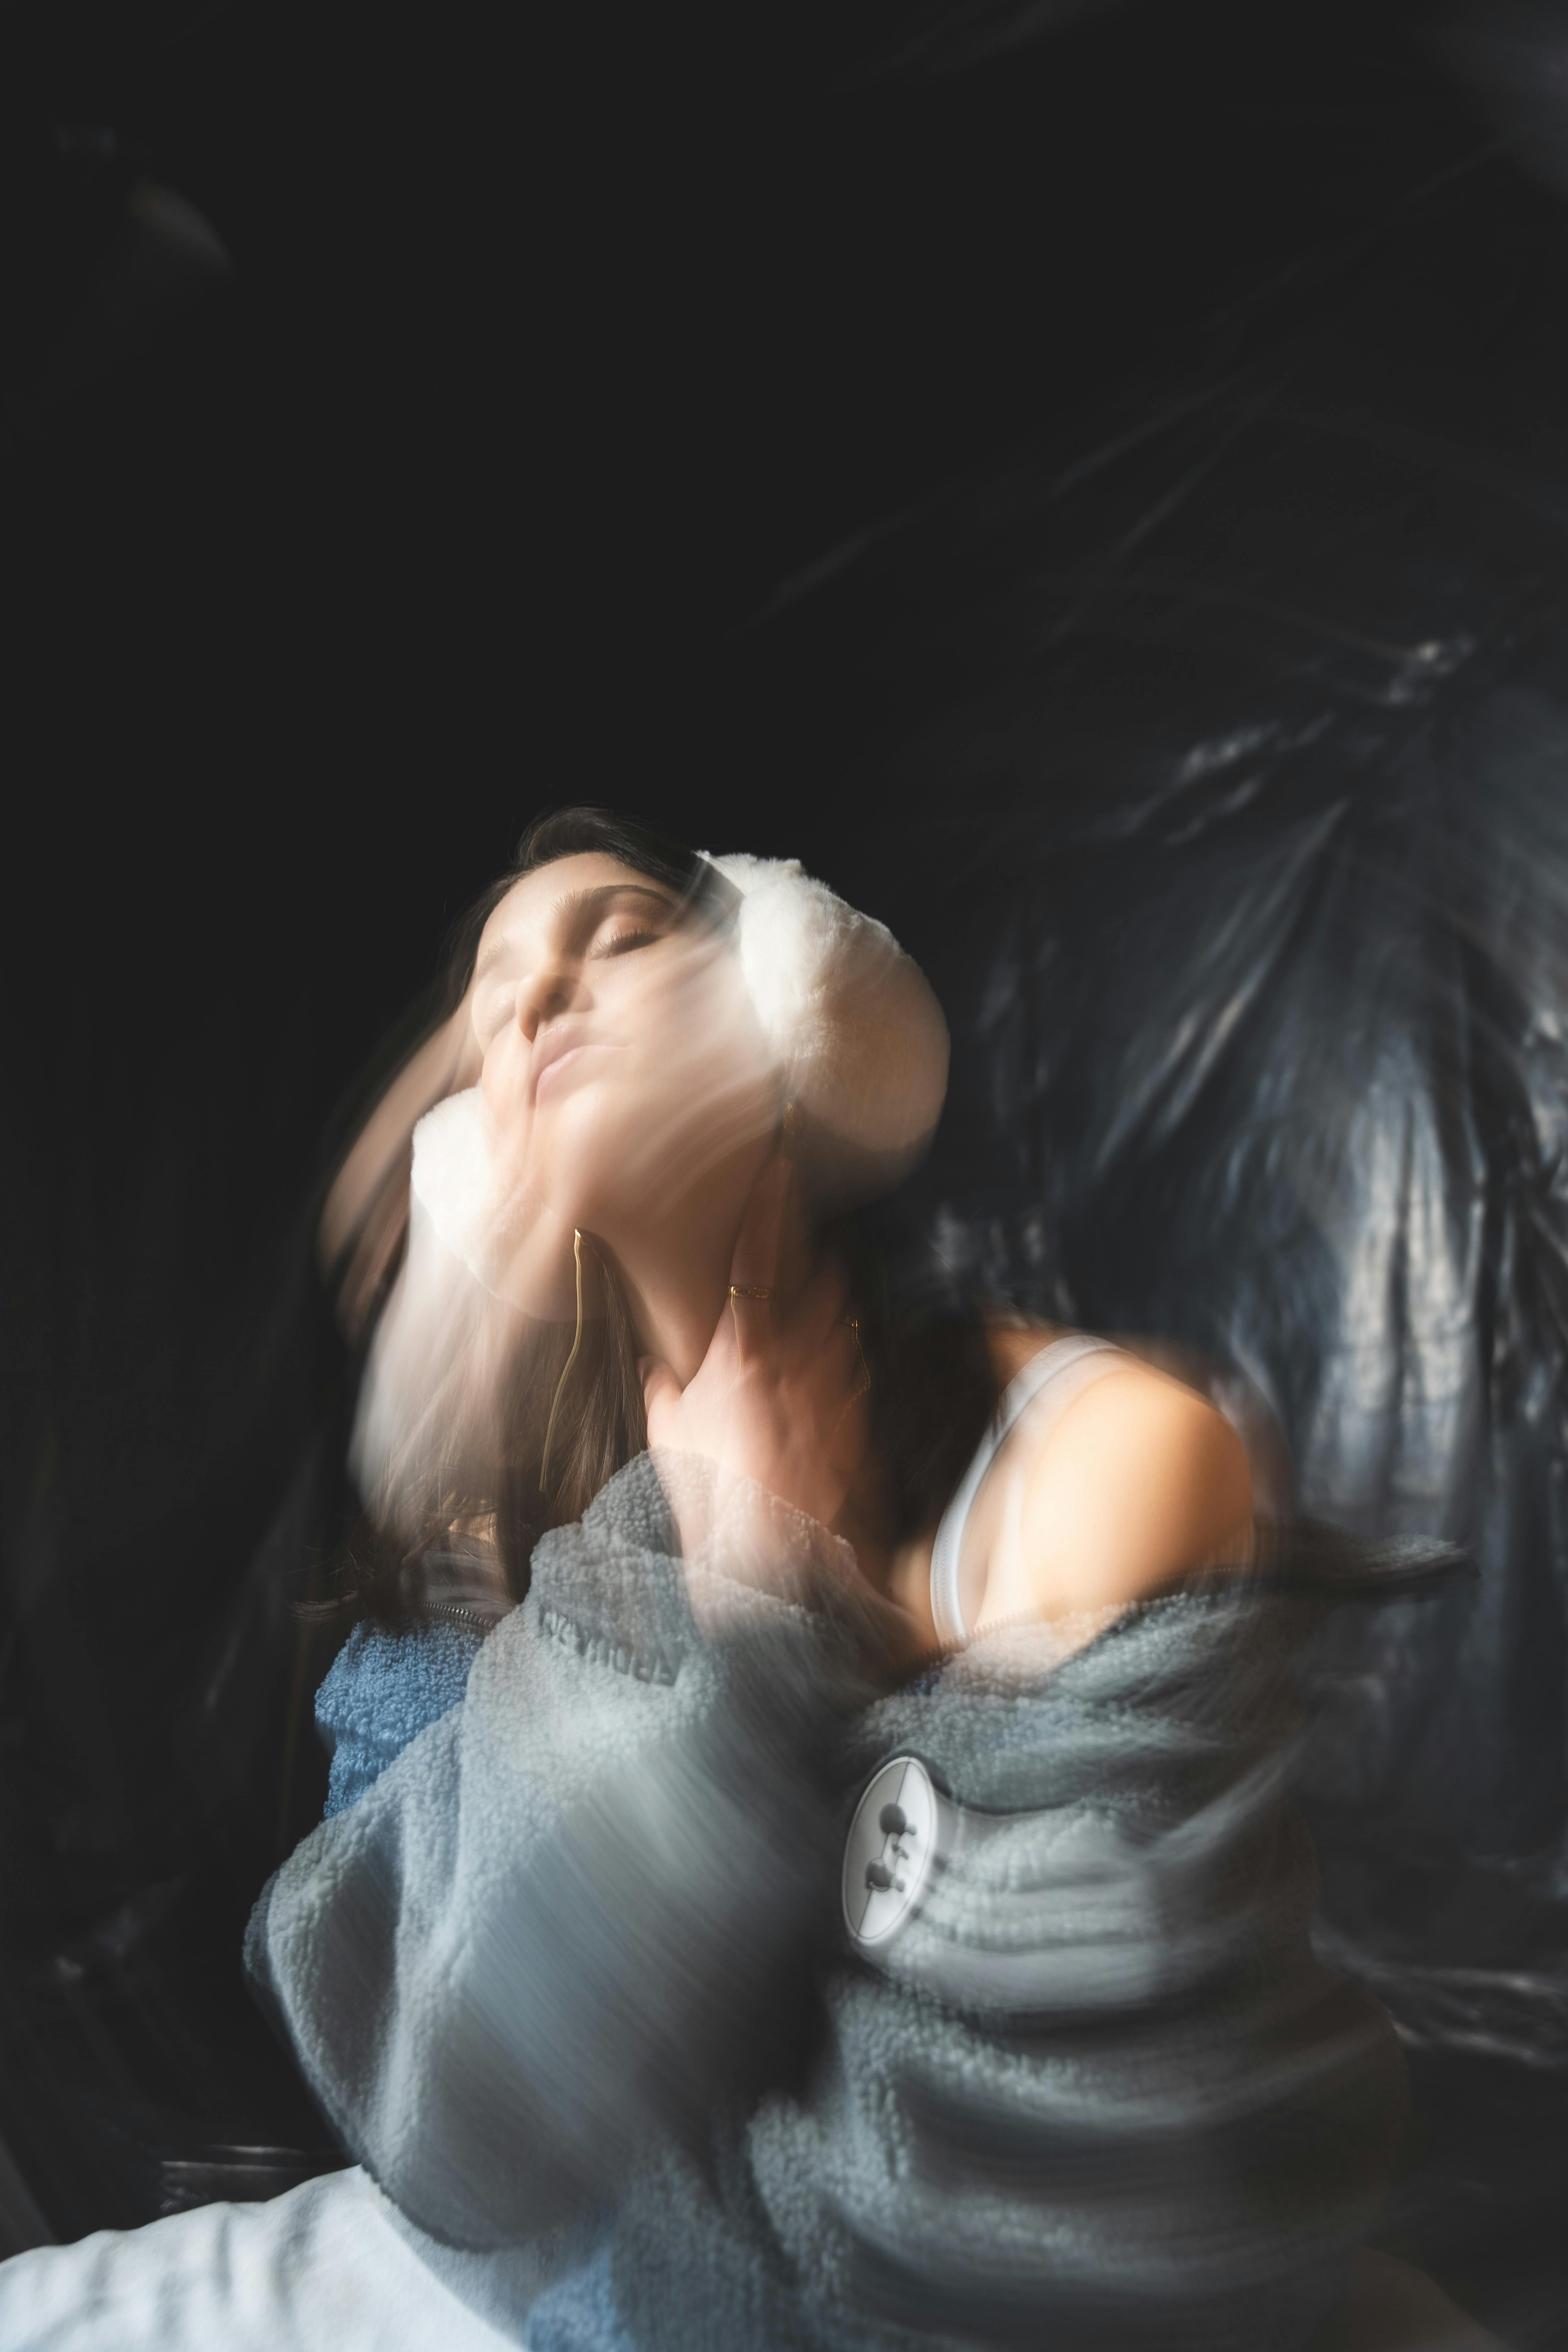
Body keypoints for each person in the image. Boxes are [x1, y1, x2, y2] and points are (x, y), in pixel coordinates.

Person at [0, 810, 1498, 2350]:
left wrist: (714, 1684)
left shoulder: (1094, 1458)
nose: (533, 1001)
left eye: (623, 936)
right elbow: (440, 2109)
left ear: (790, 1015)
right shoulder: (476, 1536)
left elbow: (1045, 2222)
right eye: (495, 987)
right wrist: (716, 1585)